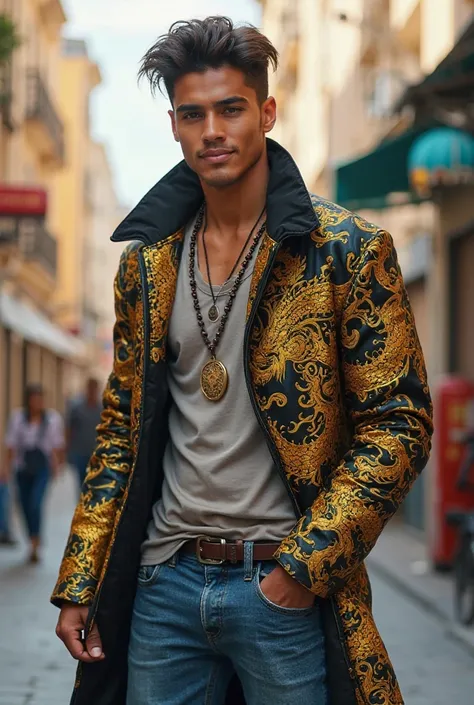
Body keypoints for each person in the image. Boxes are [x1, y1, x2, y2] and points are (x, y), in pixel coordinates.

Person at [53, 16, 433, 705]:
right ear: (174, 124)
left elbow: (400, 422)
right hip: (163, 584)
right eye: (194, 114)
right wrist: (81, 580)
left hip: (281, 585)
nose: (213, 131)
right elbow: (118, 432)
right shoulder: (146, 264)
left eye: (231, 109)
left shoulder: (345, 249)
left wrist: (301, 570)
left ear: (266, 112)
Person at [4, 383, 64, 563]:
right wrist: (5, 469)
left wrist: (57, 466)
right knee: (23, 505)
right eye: (34, 399)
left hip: (42, 469)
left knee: (35, 503)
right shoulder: (18, 418)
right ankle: (31, 538)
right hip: (22, 468)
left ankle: (36, 544)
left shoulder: (52, 419)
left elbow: (57, 445)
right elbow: (11, 445)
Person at [66, 378, 102, 491]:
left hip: (96, 453)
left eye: (94, 389)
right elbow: (69, 429)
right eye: (90, 388)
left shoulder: (102, 409)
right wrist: (67, 449)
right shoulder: (77, 409)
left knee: (94, 483)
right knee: (82, 483)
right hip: (79, 453)